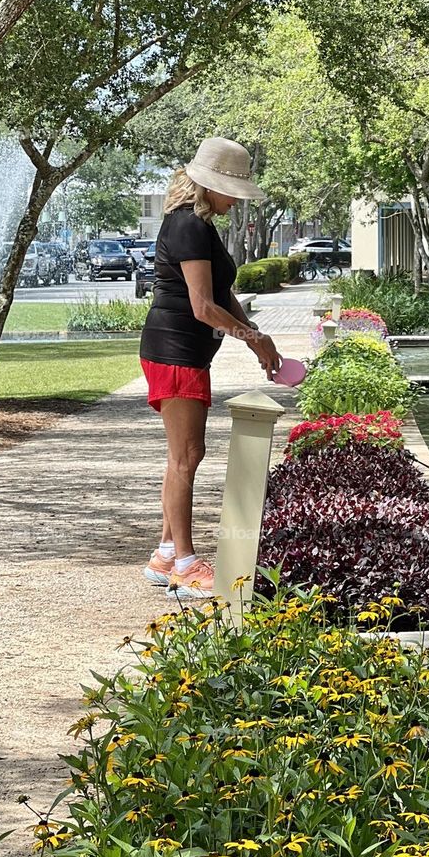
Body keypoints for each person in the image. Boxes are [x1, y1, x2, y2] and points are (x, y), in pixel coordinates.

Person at [138, 137, 281, 599]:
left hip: (186, 352)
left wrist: (252, 333)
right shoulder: (187, 227)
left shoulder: (200, 225)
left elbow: (221, 295)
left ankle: (164, 554)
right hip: (174, 349)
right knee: (186, 458)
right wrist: (254, 338)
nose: (236, 199)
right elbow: (201, 307)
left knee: (185, 456)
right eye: (232, 190)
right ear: (208, 185)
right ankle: (184, 563)